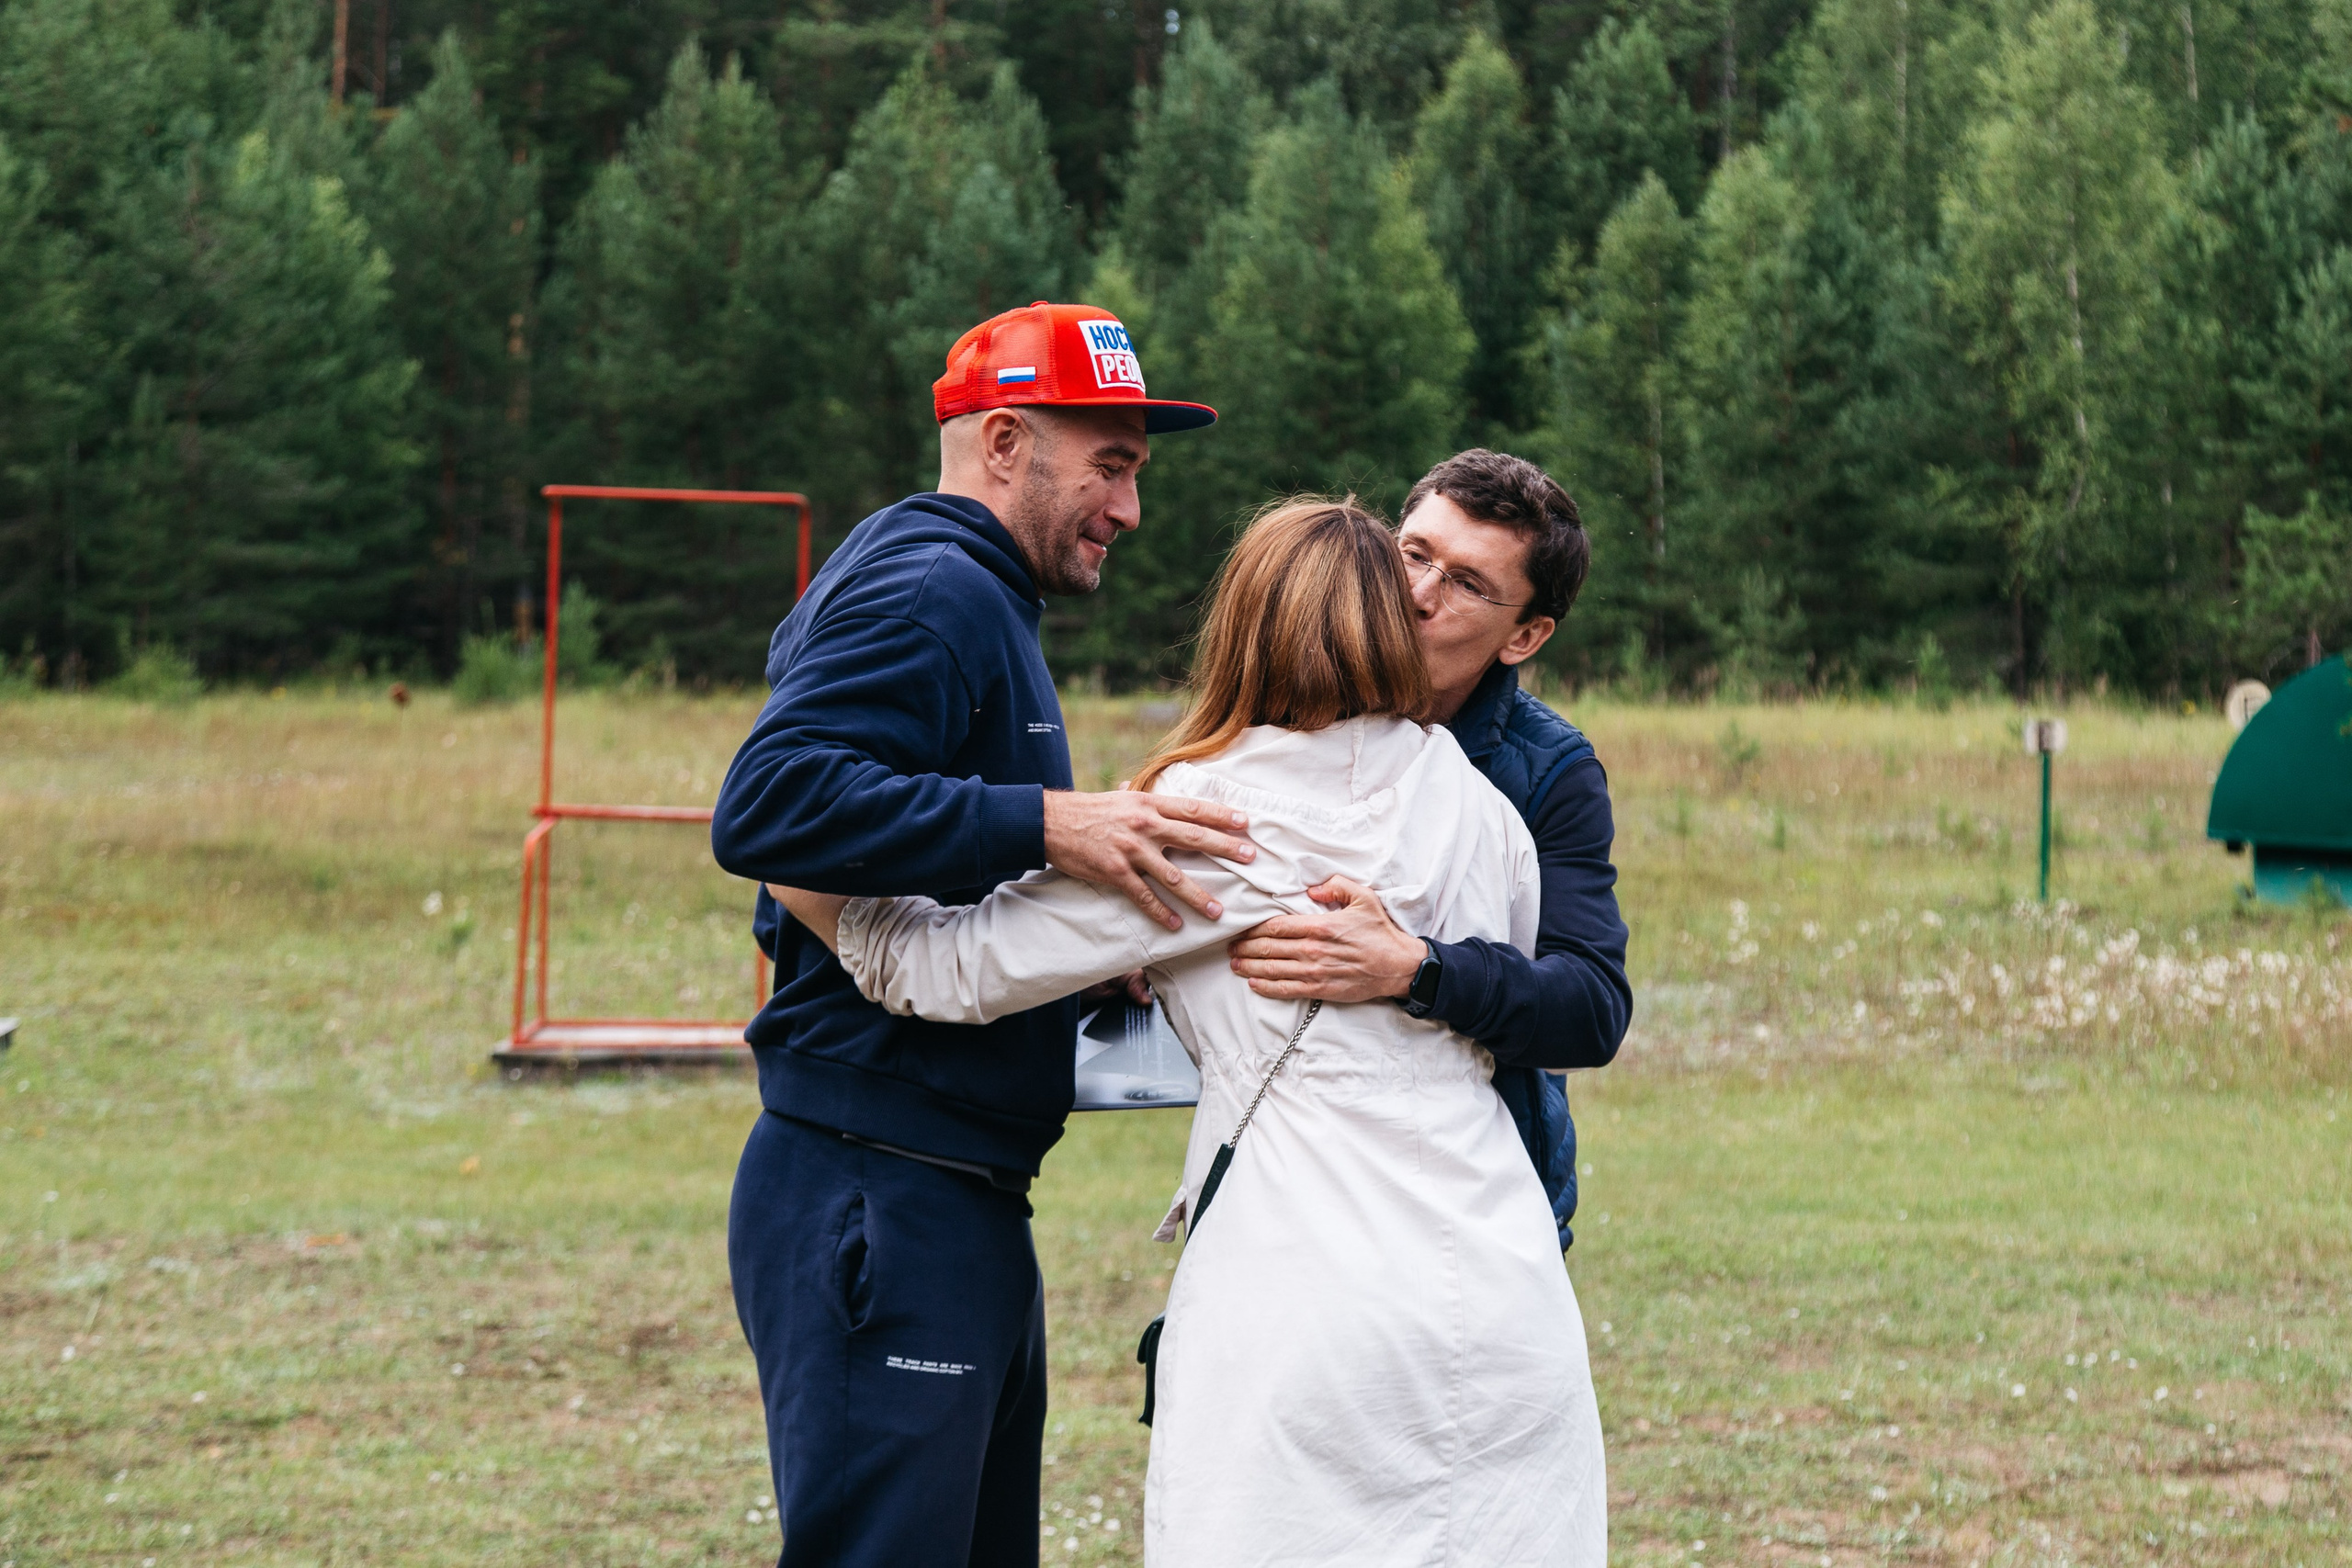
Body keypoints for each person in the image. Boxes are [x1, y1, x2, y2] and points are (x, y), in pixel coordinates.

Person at [780, 499, 1609, 1567]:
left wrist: (794, 859)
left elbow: (939, 968)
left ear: (1244, 627)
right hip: (1508, 1279)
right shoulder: (1488, 809)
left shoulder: (1209, 813)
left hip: (1306, 1282)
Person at [708, 300, 1240, 1567]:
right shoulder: (933, 586)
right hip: (880, 1189)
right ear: (1004, 441)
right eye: (1107, 465)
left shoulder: (973, 592)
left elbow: (881, 839)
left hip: (955, 1195)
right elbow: (769, 804)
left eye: (1135, 471)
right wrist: (1045, 821)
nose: (1128, 506)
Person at [1226, 449, 1631, 1249]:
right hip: (1283, 1200)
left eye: (1468, 583)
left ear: (1526, 635)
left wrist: (1417, 969)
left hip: (1477, 1214)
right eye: (1412, 554)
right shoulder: (1276, 716)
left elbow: (1589, 1006)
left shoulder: (1549, 771)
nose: (1416, 595)